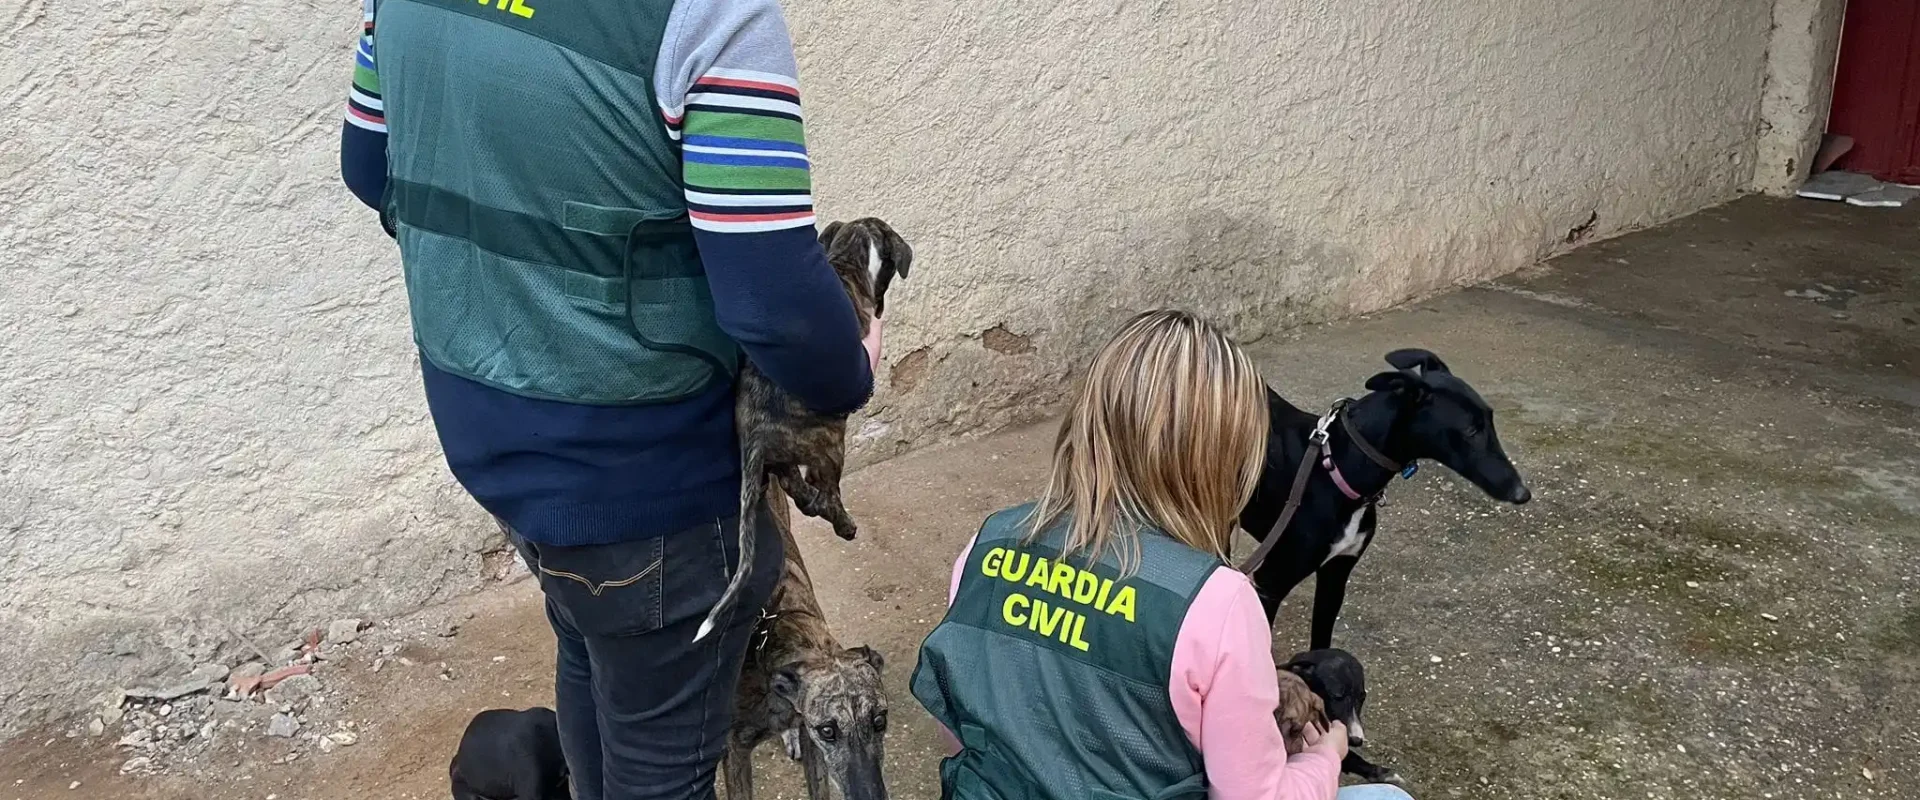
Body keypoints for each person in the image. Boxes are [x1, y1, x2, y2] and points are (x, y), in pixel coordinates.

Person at [337, 1, 882, 799]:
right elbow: (775, 306)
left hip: (487, 433)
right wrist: (853, 364)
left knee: (593, 641)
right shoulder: (708, 13)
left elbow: (368, 165)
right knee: (659, 754)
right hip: (649, 481)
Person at [910, 310, 1413, 800]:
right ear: (1224, 454)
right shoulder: (1221, 604)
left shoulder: (986, 546)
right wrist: (1325, 755)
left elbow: (959, 725)